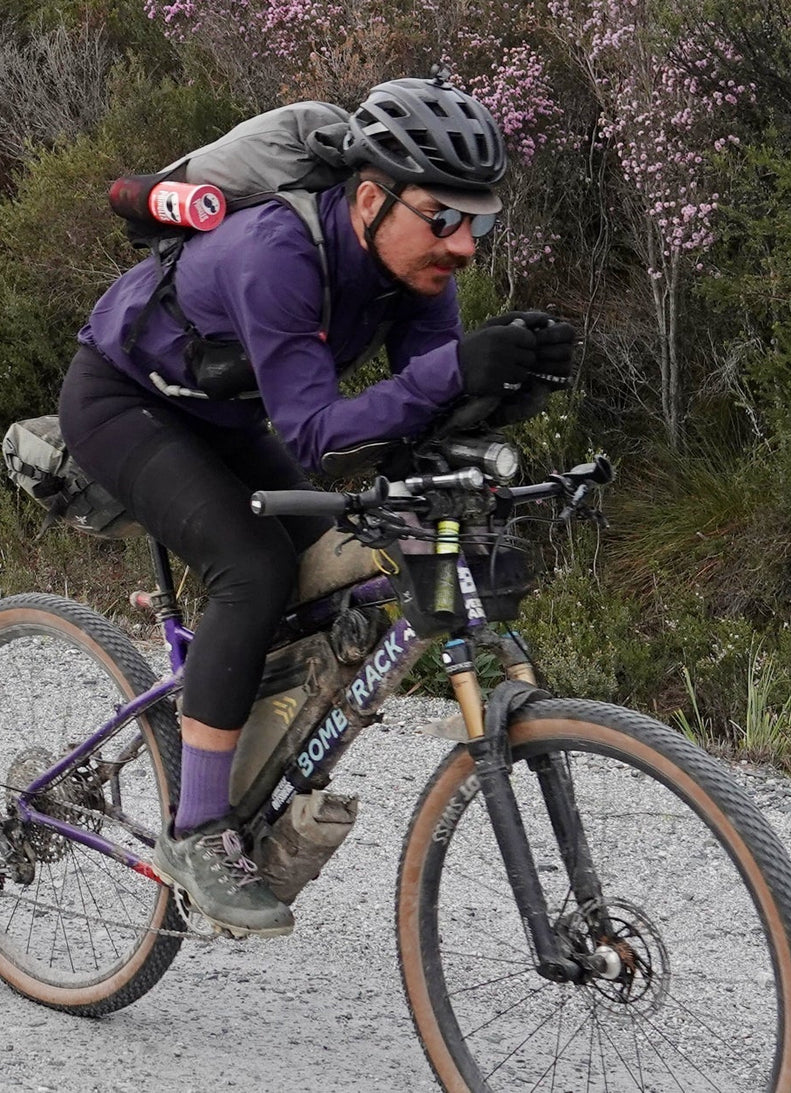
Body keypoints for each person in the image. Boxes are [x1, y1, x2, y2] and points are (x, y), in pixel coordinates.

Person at [58, 76, 575, 936]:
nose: (464, 246)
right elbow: (317, 438)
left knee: (345, 553)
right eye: (444, 217)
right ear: (371, 198)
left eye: (479, 222)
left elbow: (424, 414)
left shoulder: (417, 271)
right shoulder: (277, 252)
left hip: (223, 414)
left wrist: (505, 385)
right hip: (125, 398)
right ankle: (197, 832)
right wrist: (455, 371)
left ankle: (238, 742)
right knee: (251, 567)